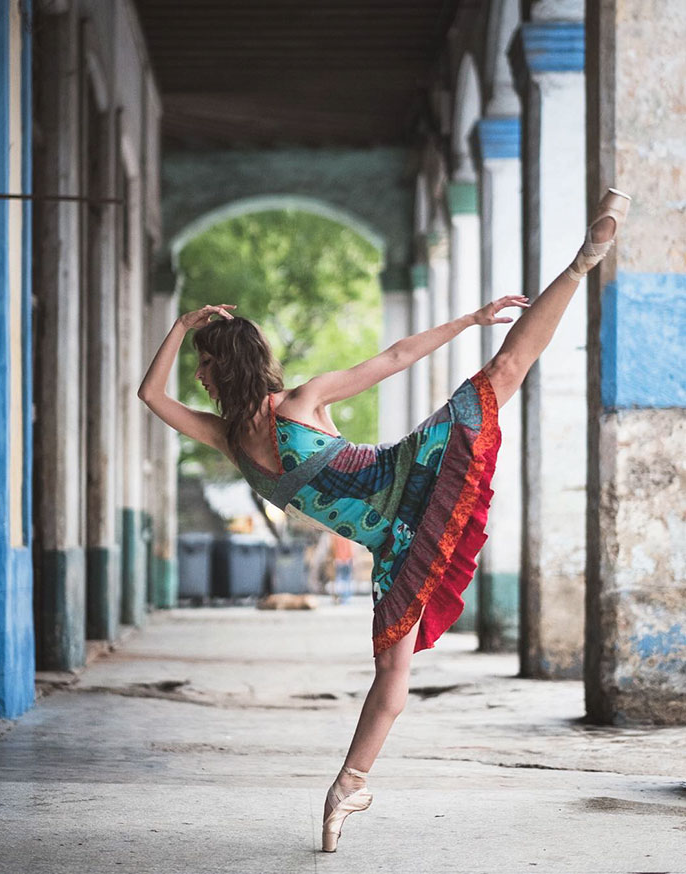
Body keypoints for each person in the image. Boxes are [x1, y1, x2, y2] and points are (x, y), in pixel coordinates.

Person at [138, 189, 630, 852]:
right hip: (391, 537)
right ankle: (347, 787)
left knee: (504, 370)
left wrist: (468, 320)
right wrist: (181, 324)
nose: (195, 374)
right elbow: (149, 395)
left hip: (408, 474)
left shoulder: (299, 402)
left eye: (200, 360)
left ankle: (581, 261)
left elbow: (396, 356)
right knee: (392, 670)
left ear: (219, 367)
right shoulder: (226, 435)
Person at [331, 533, 355, 604]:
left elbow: (333, 548)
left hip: (339, 559)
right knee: (346, 579)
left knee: (339, 578)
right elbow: (350, 548)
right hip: (347, 559)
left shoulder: (334, 536)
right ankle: (346, 597)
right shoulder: (348, 536)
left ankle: (340, 596)